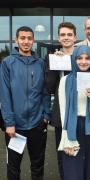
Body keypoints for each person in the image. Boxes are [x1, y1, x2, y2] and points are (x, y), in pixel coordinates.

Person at [0, 26, 51, 180]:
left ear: (33, 40)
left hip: (37, 124)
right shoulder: (8, 63)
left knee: (37, 165)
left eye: (29, 38)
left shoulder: (41, 63)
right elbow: (4, 95)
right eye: (23, 38)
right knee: (13, 167)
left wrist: (46, 116)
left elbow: (45, 91)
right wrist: (9, 122)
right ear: (17, 40)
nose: (26, 41)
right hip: (15, 126)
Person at [58, 45, 90, 180]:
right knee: (73, 169)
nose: (83, 61)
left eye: (87, 58)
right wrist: (66, 138)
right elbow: (63, 111)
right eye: (79, 58)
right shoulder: (65, 80)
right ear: (74, 59)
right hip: (72, 127)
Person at [45, 22, 77, 179]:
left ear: (75, 37)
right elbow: (50, 87)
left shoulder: (82, 56)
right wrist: (54, 64)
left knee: (79, 152)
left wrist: (70, 61)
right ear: (59, 38)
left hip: (79, 113)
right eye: (63, 35)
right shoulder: (52, 58)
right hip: (60, 113)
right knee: (62, 153)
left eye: (69, 34)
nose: (66, 37)